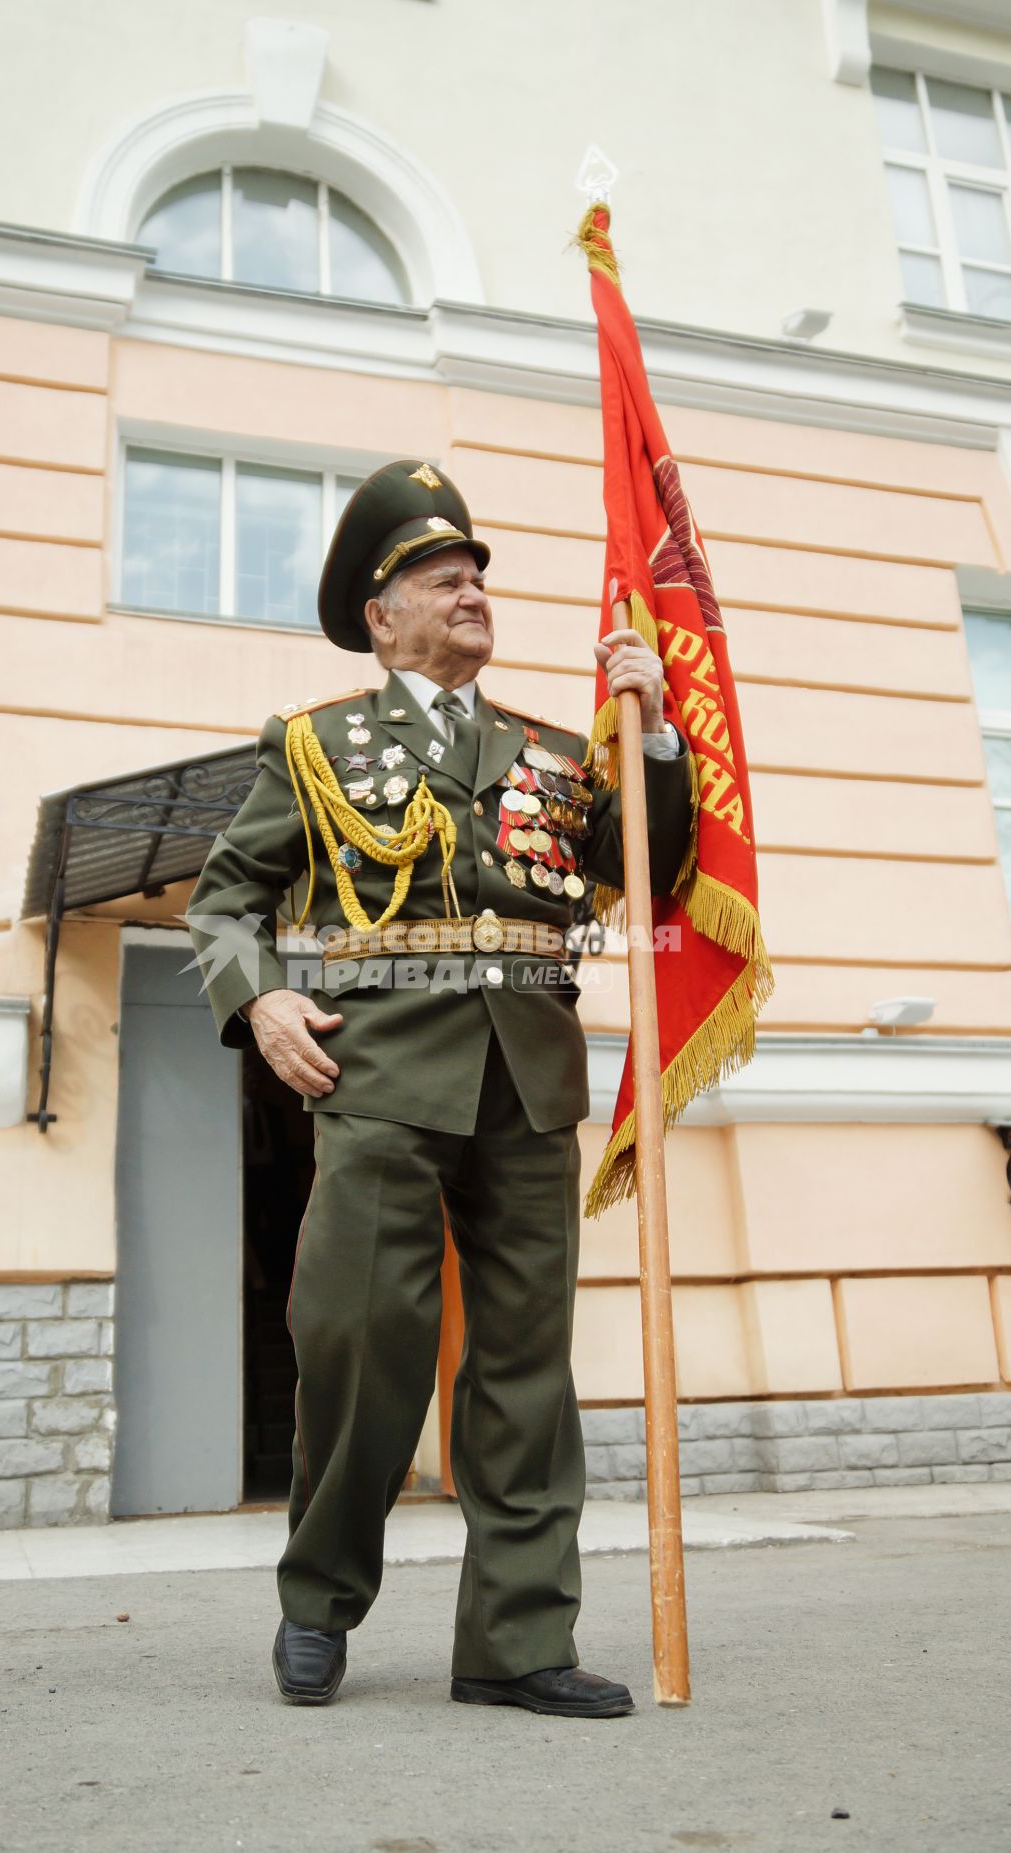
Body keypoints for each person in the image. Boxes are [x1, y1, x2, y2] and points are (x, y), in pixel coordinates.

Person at [188, 459, 691, 1718]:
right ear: (380, 616)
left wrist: (659, 738)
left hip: (527, 1081)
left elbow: (650, 873)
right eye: (436, 576)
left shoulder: (559, 753)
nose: (467, 590)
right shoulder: (313, 747)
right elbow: (223, 901)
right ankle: (318, 1600)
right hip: (381, 1076)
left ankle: (515, 1641)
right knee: (360, 1349)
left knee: (524, 1369)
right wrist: (258, 998)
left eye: (474, 575)